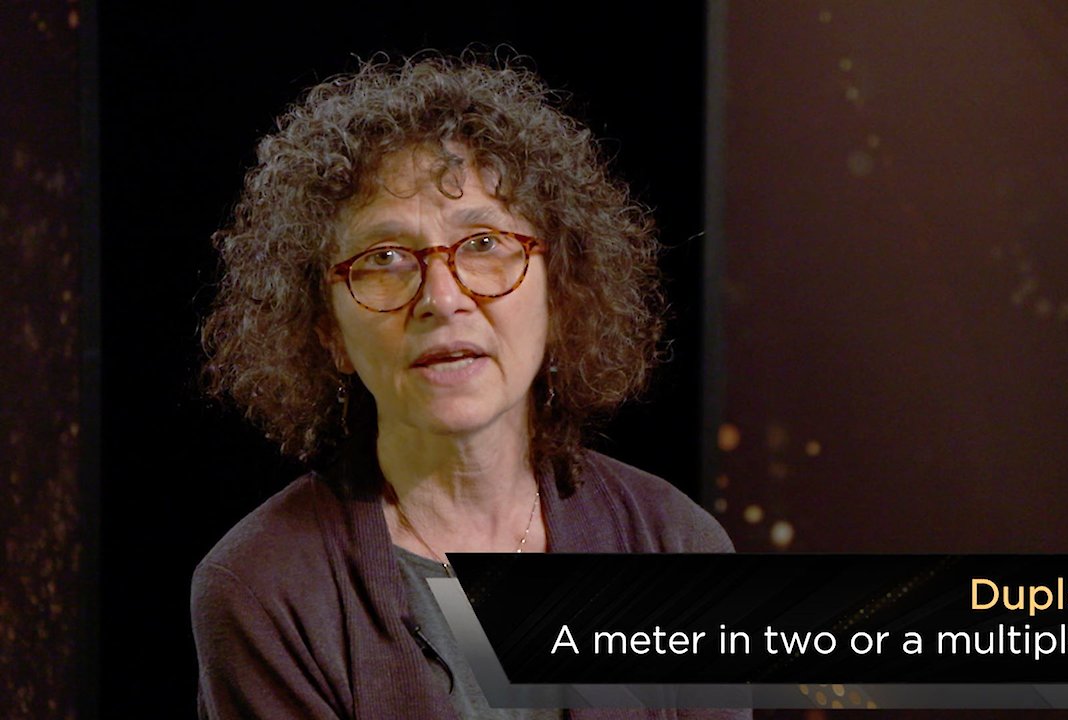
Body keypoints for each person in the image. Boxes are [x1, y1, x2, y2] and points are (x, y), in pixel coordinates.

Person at [192, 55, 741, 719]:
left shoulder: (675, 544)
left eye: (483, 243)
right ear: (328, 331)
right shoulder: (263, 586)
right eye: (385, 258)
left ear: (560, 292)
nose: (442, 298)